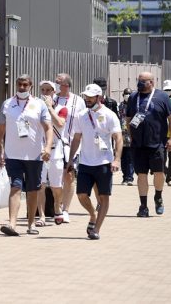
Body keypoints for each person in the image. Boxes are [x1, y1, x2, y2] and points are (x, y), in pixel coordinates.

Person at [0, 75, 53, 237]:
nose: (22, 87)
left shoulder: (39, 104)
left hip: (34, 155)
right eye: (19, 84)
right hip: (13, 155)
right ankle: (12, 224)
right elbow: (0, 130)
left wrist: (47, 147)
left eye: (25, 85)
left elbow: (48, 128)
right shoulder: (7, 104)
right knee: (15, 186)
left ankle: (31, 223)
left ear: (30, 86)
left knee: (32, 190)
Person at [67, 84, 123, 240]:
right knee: (81, 195)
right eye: (86, 96)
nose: (88, 99)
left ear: (99, 97)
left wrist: (117, 160)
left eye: (91, 97)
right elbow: (76, 138)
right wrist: (71, 159)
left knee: (104, 196)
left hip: (104, 162)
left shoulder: (110, 115)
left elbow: (118, 138)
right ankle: (93, 213)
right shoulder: (81, 115)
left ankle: (96, 229)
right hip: (85, 162)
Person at [125, 71, 171, 217]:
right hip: (139, 144)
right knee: (141, 174)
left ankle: (158, 196)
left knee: (159, 173)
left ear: (151, 83)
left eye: (143, 81)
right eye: (138, 81)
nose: (139, 84)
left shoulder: (162, 97)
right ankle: (143, 206)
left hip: (157, 143)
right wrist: (130, 134)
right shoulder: (134, 97)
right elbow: (128, 118)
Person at [54, 73, 84, 223]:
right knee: (54, 177)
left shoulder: (78, 101)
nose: (55, 83)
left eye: (58, 81)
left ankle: (65, 209)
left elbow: (84, 120)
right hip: (53, 144)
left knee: (69, 176)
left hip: (71, 145)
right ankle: (56, 207)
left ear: (65, 85)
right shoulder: (51, 99)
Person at [38, 80, 68, 225]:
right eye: (42, 90)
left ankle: (57, 206)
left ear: (53, 92)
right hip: (39, 150)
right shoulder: (35, 108)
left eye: (48, 90)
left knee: (56, 185)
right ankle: (42, 215)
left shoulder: (61, 108)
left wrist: (49, 108)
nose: (45, 93)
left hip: (56, 151)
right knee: (40, 184)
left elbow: (61, 123)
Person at [119, 88, 135, 185]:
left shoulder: (134, 106)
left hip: (131, 135)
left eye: (129, 94)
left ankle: (130, 177)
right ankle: (125, 177)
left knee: (130, 157)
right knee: (123, 158)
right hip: (121, 135)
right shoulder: (119, 106)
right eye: (126, 94)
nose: (127, 95)